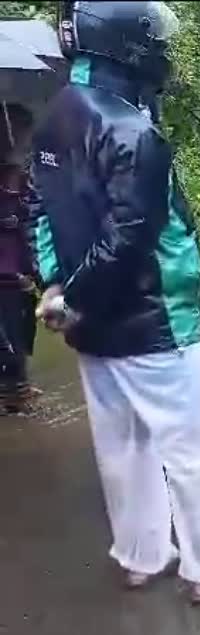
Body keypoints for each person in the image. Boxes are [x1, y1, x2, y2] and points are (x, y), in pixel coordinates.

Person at [31, 1, 200, 603]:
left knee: (123, 443)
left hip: (91, 323)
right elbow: (132, 238)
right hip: (150, 320)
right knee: (196, 443)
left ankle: (141, 555)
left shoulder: (56, 118)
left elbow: (43, 212)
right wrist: (77, 293)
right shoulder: (131, 129)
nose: (161, 49)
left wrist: (59, 289)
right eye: (153, 37)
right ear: (124, 42)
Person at [0, 103, 39, 414]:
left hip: (21, 272)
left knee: (21, 337)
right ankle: (13, 391)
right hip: (6, 275)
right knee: (9, 344)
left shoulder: (25, 182)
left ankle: (17, 389)